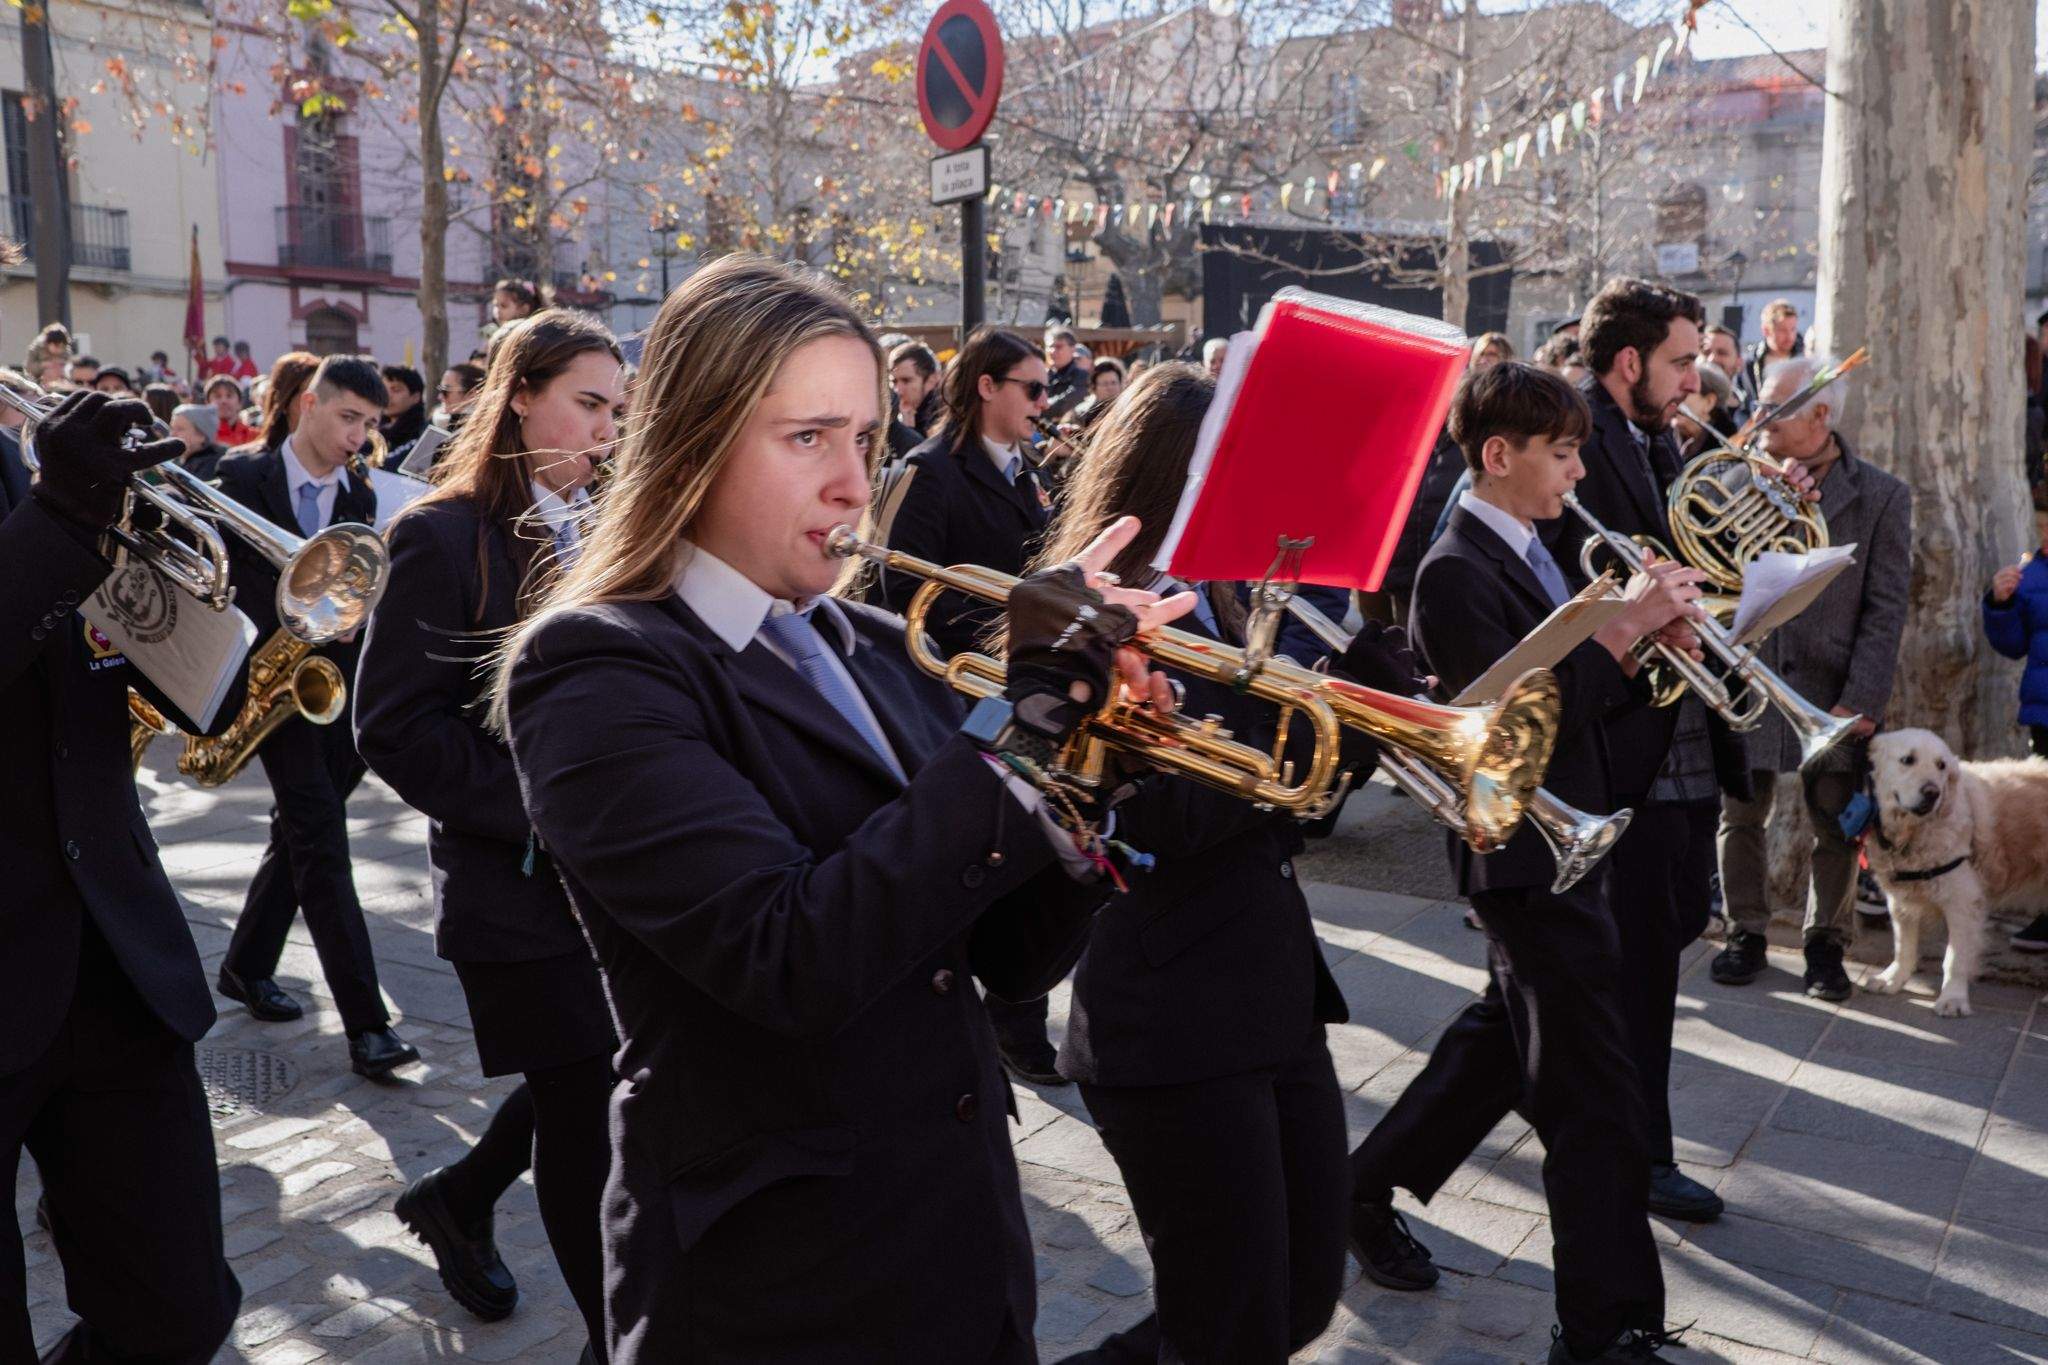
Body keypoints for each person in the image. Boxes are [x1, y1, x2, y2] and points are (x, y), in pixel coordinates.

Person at [496, 252, 1191, 1362]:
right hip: (774, 1283)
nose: (854, 486)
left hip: (954, 1240)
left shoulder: (873, 645)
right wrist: (1024, 721)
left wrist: (1095, 758)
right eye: (806, 437)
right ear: (696, 440)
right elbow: (788, 958)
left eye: (863, 439)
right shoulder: (597, 667)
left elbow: (1001, 960)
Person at [1352, 362, 1707, 1365]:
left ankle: (1353, 1191)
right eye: (1560, 454)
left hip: (1573, 845)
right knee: (1593, 1102)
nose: (1576, 473)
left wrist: (1652, 653)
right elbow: (1512, 739)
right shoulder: (1453, 569)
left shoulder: (1545, 552)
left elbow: (1590, 716)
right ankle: (1602, 1329)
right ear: (1498, 456)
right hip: (1525, 862)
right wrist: (1626, 630)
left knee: (1495, 1053)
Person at [1043, 362, 1387, 1364]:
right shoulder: (1097, 619)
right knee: (1226, 1327)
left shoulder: (1245, 604)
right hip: (1169, 1018)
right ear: (1173, 480)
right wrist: (1296, 710)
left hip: (1271, 991)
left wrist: (1362, 692)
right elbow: (1160, 826)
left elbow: (1300, 812)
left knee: (1299, 1301)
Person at [359, 311, 625, 1353]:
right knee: (584, 1107)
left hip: (614, 875)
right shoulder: (440, 533)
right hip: (511, 886)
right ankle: (617, 1337)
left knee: (604, 1076)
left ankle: (461, 1198)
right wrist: (541, 809)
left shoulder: (610, 522)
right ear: (520, 394)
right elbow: (392, 727)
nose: (606, 432)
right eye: (587, 405)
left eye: (615, 409)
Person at [1535, 277, 1804, 1224]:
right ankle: (1639, 1152)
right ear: (1628, 363)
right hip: (1627, 737)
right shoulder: (1578, 442)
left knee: (1672, 929)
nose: (1700, 378)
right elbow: (1592, 583)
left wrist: (1772, 527)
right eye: (1684, 361)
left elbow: (1701, 574)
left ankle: (1588, 1121)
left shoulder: (1659, 438)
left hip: (1682, 735)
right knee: (1639, 967)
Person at [0, 370, 246, 1357]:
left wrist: (230, 601)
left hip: (107, 953)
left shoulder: (30, 434)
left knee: (179, 1313)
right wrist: (65, 507)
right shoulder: (50, 471)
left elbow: (166, 688)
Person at [214, 355, 419, 1078]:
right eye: (348, 418)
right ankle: (368, 1026)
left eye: (371, 423)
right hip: (274, 691)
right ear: (309, 404)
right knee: (321, 838)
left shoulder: (372, 494)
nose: (360, 436)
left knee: (303, 829)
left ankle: (244, 964)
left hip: (342, 689)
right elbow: (213, 585)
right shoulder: (238, 479)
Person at [874, 326, 1065, 1083]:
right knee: (979, 853)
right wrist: (1000, 639)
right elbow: (895, 595)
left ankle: (1018, 1021)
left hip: (1016, 692)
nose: (1044, 404)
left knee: (1028, 850)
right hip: (957, 696)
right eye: (1033, 388)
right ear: (987, 386)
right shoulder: (926, 472)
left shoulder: (1027, 471)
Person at [1710, 356, 1912, 998]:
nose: (1756, 418)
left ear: (1821, 416)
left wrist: (1864, 697)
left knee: (1837, 823)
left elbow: (1886, 606)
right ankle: (1745, 930)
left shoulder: (1883, 495)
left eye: (1774, 409)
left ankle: (1827, 943)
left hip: (1833, 687)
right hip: (1750, 675)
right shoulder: (1742, 477)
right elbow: (1711, 565)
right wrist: (1759, 488)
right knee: (1740, 816)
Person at [1988, 484, 2048, 948]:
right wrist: (2001, 603)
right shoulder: (2033, 572)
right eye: (2041, 526)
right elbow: (2012, 645)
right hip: (2042, 716)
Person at [1737, 298, 1802, 409]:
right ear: (1766, 330)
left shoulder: (1803, 360)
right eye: (1782, 330)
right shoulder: (1751, 364)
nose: (1790, 336)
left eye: (1793, 329)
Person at [886, 341, 944, 459]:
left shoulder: (943, 419)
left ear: (931, 381)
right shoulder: (895, 413)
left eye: (906, 381)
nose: (898, 389)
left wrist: (910, 431)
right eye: (894, 381)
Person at [169, 401, 226, 481]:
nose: (172, 434)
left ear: (201, 435)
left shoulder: (212, 466)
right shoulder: (179, 460)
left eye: (180, 429)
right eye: (172, 428)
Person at [380, 364, 430, 451]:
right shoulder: (374, 428)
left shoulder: (421, 434)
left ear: (415, 397)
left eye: (395, 390)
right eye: (384, 390)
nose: (388, 396)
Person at [1044, 326, 1088, 416]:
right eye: (1050, 346)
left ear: (1072, 349)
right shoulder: (1043, 375)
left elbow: (1067, 403)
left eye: (1058, 347)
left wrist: (1041, 406)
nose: (1053, 351)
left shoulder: (1081, 376)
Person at [207, 375, 258, 448]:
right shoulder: (201, 439)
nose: (223, 401)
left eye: (229, 396)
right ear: (207, 403)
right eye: (217, 396)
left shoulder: (256, 437)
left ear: (240, 403)